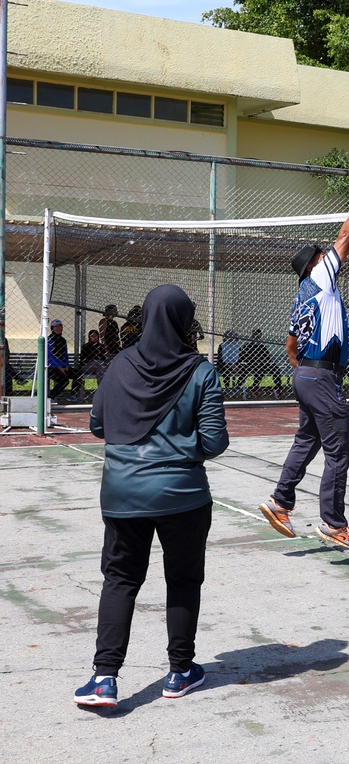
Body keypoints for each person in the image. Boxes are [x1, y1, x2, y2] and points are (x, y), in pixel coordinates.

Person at [74, 284, 229, 708]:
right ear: (182, 321)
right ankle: (180, 672)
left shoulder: (118, 365)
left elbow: (99, 427)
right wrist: (177, 449)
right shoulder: (201, 371)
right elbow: (214, 442)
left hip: (123, 494)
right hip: (183, 496)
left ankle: (104, 678)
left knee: (120, 580)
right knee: (182, 580)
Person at [258, 170, 349, 548]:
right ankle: (334, 523)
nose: (331, 255)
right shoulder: (320, 277)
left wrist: (305, 374)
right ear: (315, 263)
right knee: (339, 450)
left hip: (307, 375)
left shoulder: (304, 294)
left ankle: (280, 502)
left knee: (307, 441)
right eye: (324, 254)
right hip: (320, 377)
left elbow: (289, 345)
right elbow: (347, 235)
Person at [242, 329, 282, 398]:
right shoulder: (248, 346)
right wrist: (253, 361)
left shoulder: (262, 347)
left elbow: (267, 357)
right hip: (252, 365)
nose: (257, 336)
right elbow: (245, 357)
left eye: (259, 335)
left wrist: (266, 361)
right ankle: (255, 388)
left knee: (275, 369)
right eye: (256, 335)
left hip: (263, 364)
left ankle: (278, 388)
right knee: (259, 369)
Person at [47, 319, 81, 401]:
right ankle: (51, 397)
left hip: (63, 367)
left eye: (60, 326)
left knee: (78, 375)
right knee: (64, 381)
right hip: (51, 368)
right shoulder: (49, 340)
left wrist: (67, 366)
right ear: (52, 328)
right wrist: (59, 367)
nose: (58, 328)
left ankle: (73, 396)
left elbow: (65, 354)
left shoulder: (63, 340)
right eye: (56, 327)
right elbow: (49, 357)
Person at [75, 329, 107, 400]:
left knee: (99, 367)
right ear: (89, 337)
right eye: (92, 336)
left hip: (98, 368)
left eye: (96, 336)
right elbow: (83, 361)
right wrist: (92, 365)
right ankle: (103, 391)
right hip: (86, 367)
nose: (94, 337)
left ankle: (101, 393)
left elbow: (103, 358)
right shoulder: (86, 347)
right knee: (99, 364)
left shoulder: (101, 346)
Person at [215, 331, 242, 395]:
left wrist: (236, 365)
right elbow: (221, 358)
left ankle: (237, 385)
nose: (230, 337)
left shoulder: (238, 346)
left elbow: (240, 358)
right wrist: (231, 366)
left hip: (235, 365)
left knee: (245, 370)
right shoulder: (222, 345)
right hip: (223, 365)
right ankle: (227, 388)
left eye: (232, 336)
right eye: (228, 336)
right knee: (226, 370)